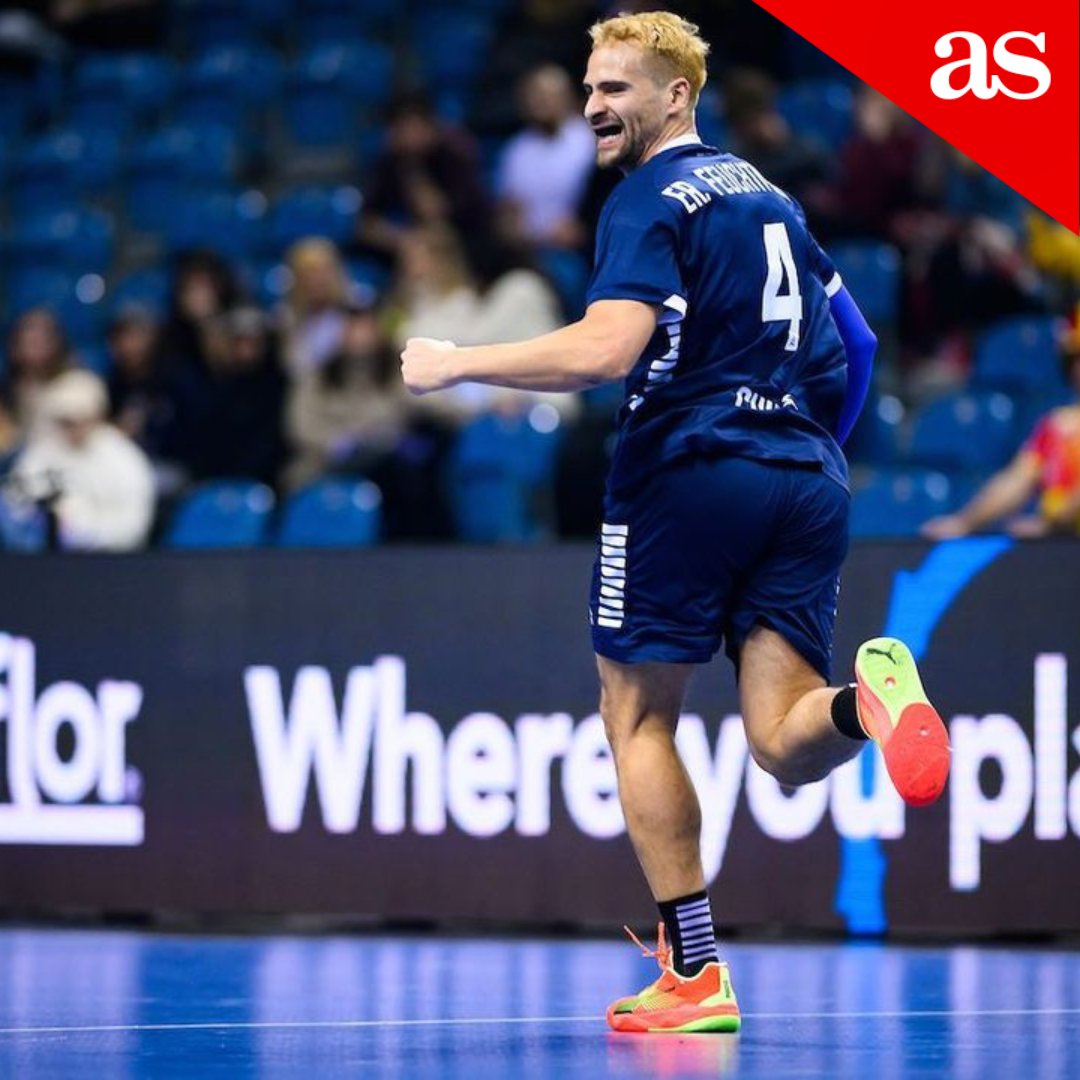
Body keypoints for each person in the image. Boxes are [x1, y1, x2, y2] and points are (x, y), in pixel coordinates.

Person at [401, 11, 950, 1034]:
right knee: (784, 742)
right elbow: (859, 338)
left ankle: (694, 976)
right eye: (591, 86)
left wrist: (457, 363)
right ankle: (866, 708)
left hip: (686, 472)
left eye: (618, 88)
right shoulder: (770, 193)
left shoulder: (649, 198)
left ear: (677, 97)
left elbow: (609, 350)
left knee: (638, 717)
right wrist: (805, 443)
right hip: (804, 474)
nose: (596, 105)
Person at [922, 310, 1080, 539]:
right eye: (1076, 359)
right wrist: (964, 522)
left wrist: (1050, 524)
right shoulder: (1059, 427)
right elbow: (1016, 481)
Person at [7, 369, 155, 551]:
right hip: (46, 559)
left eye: (79, 419)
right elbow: (16, 503)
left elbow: (135, 525)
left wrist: (89, 535)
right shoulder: (43, 451)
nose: (72, 428)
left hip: (109, 562)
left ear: (97, 416)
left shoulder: (124, 457)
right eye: (65, 420)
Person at [495, 64, 597, 252]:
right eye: (535, 95)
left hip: (582, 246)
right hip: (529, 249)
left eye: (548, 95)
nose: (541, 102)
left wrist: (584, 226)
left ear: (567, 96)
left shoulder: (591, 141)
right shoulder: (516, 150)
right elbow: (508, 210)